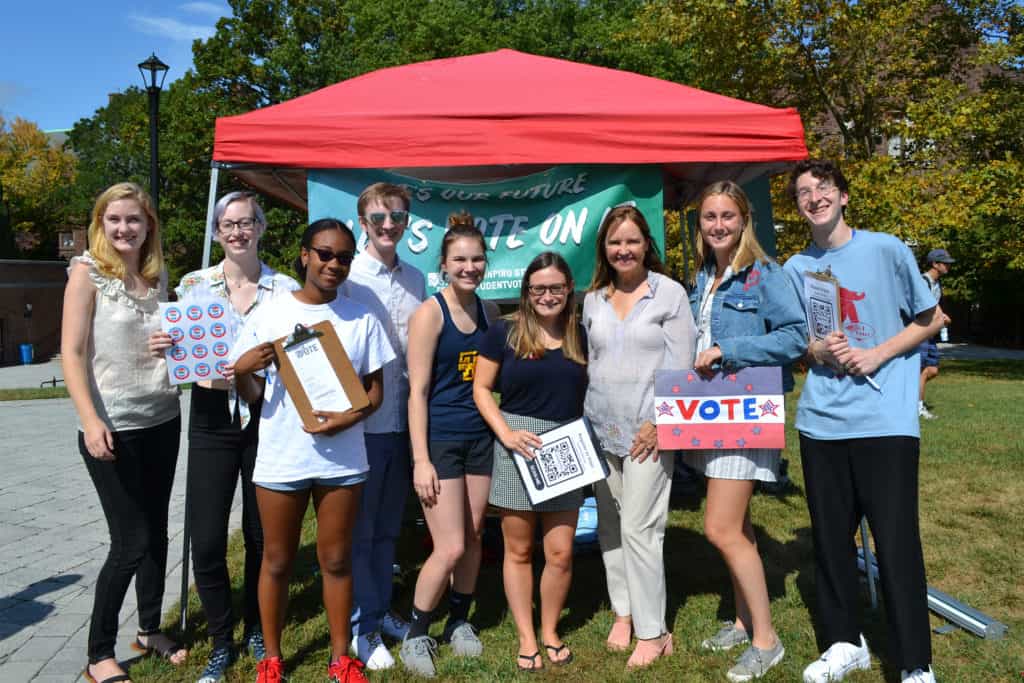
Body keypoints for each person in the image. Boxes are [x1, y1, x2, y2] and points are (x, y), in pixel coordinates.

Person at [783, 160, 944, 683]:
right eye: (804, 192)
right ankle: (842, 642)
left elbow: (932, 318)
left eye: (823, 188)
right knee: (831, 542)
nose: (814, 197)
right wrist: (816, 349)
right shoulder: (795, 268)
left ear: (844, 196)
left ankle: (914, 663)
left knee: (896, 543)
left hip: (885, 419)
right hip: (822, 422)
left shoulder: (886, 248)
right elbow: (796, 342)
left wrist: (876, 354)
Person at [230, 218, 394, 683]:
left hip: (343, 459)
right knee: (277, 560)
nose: (334, 264)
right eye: (325, 254)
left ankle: (341, 658)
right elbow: (254, 395)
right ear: (304, 255)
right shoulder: (271, 314)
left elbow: (375, 392)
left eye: (344, 257)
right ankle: (272, 658)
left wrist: (350, 418)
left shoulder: (361, 317)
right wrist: (241, 371)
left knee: (337, 560)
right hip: (282, 457)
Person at [148, 192, 299, 682]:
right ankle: (220, 637)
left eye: (246, 223)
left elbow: (301, 352)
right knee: (208, 540)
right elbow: (181, 348)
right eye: (228, 225)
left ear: (260, 227)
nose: (237, 232)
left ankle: (257, 626)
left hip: (267, 416)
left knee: (261, 534)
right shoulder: (195, 284)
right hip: (212, 417)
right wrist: (163, 345)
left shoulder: (285, 288)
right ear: (216, 233)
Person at [62, 182, 187, 683]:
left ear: (148, 225)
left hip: (163, 418)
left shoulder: (157, 279)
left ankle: (150, 629)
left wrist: (170, 343)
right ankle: (98, 655)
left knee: (156, 532)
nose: (123, 228)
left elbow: (167, 344)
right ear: (100, 224)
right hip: (111, 426)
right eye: (113, 219)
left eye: (133, 220)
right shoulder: (86, 275)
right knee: (129, 541)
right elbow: (71, 354)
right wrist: (91, 420)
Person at [685, 181, 807, 681]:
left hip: (746, 409)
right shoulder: (704, 276)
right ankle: (741, 620)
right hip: (712, 411)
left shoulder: (764, 273)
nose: (718, 225)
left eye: (727, 217)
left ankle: (767, 640)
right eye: (710, 216)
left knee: (718, 527)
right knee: (740, 526)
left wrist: (729, 352)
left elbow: (796, 335)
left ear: (744, 220)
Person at [583, 205, 696, 668]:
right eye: (615, 242)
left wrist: (659, 422)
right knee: (610, 526)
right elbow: (592, 361)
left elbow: (682, 364)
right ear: (604, 250)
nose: (623, 250)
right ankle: (624, 612)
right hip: (599, 427)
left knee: (640, 527)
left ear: (647, 244)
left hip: (649, 431)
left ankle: (654, 631)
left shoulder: (669, 295)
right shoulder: (592, 298)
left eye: (632, 241)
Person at [473, 251, 588, 672]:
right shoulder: (503, 332)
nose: (547, 295)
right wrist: (505, 433)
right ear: (526, 292)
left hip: (566, 445)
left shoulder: (581, 333)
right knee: (518, 549)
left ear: (569, 289)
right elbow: (482, 389)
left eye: (555, 287)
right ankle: (526, 636)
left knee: (560, 552)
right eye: (538, 288)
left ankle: (551, 629)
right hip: (516, 443)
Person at [400, 212, 499, 677]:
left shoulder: (490, 312)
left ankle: (459, 621)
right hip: (440, 441)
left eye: (477, 258)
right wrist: (420, 460)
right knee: (451, 545)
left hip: (480, 439)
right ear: (444, 265)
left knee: (475, 536)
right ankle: (416, 633)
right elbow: (416, 393)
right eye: (460, 259)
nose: (470, 266)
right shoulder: (429, 314)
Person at [339, 182, 426, 669]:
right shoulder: (348, 277)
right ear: (363, 223)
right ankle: (360, 628)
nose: (388, 225)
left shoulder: (416, 278)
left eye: (397, 216)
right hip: (362, 424)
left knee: (390, 530)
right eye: (378, 218)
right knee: (363, 530)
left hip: (403, 420)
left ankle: (378, 608)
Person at [917, 248, 954, 420]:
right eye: (945, 263)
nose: (948, 266)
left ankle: (911, 401)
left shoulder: (937, 283)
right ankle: (917, 407)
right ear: (935, 264)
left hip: (930, 332)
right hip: (920, 331)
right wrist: (941, 316)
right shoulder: (922, 281)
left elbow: (934, 303)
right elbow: (924, 305)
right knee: (922, 370)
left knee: (931, 370)